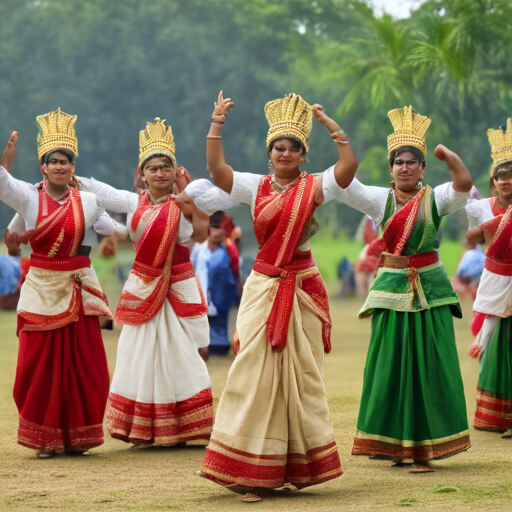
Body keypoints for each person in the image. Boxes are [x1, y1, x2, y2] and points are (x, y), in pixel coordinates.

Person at [189, 91, 358, 502]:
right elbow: (216, 168)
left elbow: (348, 167)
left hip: (302, 287)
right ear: (270, 155)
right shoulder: (254, 186)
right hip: (264, 286)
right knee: (251, 371)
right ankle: (245, 467)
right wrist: (217, 123)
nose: (285, 153)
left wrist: (331, 127)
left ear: (303, 156)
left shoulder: (314, 187)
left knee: (300, 379)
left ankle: (291, 466)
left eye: (293, 148)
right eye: (278, 148)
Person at [336, 106, 473, 472]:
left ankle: (426, 448)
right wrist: (340, 141)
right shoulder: (380, 200)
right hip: (391, 290)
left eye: (413, 162)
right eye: (399, 162)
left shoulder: (435, 198)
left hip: (431, 292)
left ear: (423, 168)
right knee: (390, 367)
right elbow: (345, 185)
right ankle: (393, 445)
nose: (405, 167)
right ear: (391, 167)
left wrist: (447, 155)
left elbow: (463, 184)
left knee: (431, 366)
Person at [77, 118, 214, 447]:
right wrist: (71, 174)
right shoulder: (131, 202)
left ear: (175, 170)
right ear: (142, 174)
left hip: (177, 284)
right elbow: (98, 189)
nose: (160, 173)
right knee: (137, 353)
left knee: (180, 353)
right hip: (142, 287)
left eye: (166, 166)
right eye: (152, 168)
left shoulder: (184, 202)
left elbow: (200, 232)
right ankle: (142, 428)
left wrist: (190, 199)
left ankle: (181, 426)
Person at [0, 109, 114, 458]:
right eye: (54, 162)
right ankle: (45, 439)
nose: (60, 166)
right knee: (39, 365)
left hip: (78, 290)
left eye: (66, 161)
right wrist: (8, 153)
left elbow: (108, 229)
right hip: (42, 288)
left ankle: (77, 436)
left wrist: (85, 205)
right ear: (43, 168)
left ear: (72, 167)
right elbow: (2, 181)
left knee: (85, 365)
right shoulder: (29, 198)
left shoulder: (89, 202)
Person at [465, 118, 512, 437]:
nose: (506, 182)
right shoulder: (481, 207)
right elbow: (472, 238)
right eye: (501, 177)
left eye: (511, 177)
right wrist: (480, 232)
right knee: (488, 340)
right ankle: (494, 414)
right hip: (493, 281)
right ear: (493, 181)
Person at [191, 211, 237, 355]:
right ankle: (202, 344)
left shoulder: (228, 248)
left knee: (220, 318)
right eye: (213, 228)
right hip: (202, 289)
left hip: (221, 289)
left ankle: (220, 345)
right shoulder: (199, 249)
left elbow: (235, 266)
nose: (215, 232)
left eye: (219, 229)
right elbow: (191, 265)